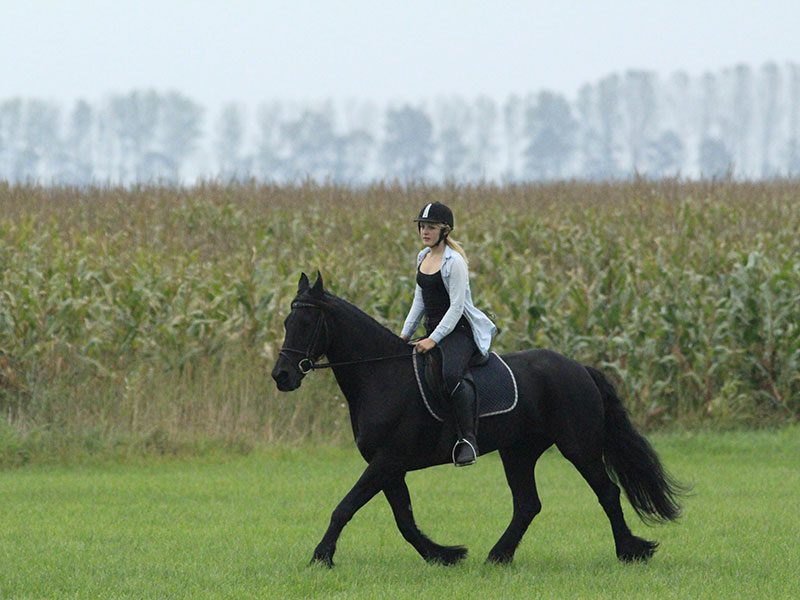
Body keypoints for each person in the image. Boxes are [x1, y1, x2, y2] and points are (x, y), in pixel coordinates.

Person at [400, 202, 497, 466]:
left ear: (445, 231)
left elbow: (456, 308)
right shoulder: (423, 257)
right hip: (433, 331)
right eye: (422, 226)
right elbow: (419, 301)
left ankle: (468, 440)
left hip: (458, 332)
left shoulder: (454, 263)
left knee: (451, 373)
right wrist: (404, 335)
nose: (424, 232)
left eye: (430, 227)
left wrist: (433, 339)